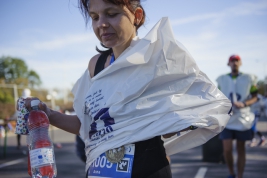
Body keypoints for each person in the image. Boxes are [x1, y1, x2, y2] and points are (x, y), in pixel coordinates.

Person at [20, 0, 231, 177]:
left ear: (137, 16)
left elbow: (202, 106)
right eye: (94, 17)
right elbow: (88, 125)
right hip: (101, 169)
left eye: (111, 14)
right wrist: (48, 114)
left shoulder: (157, 57)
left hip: (147, 167)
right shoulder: (96, 65)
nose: (102, 24)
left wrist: (175, 122)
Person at [217, 55, 258, 178]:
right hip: (228, 119)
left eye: (236, 60)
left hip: (242, 119)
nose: (234, 63)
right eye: (232, 61)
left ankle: (239, 175)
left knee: (241, 149)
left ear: (240, 63)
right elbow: (218, 97)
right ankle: (231, 173)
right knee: (227, 150)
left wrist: (244, 103)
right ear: (228, 64)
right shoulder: (222, 79)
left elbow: (255, 97)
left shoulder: (249, 78)